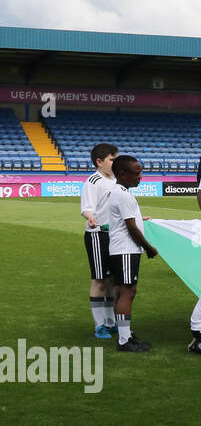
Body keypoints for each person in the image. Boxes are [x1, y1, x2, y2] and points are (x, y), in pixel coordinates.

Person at [106, 155, 158, 352]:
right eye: (137, 173)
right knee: (128, 292)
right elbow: (131, 228)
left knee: (121, 292)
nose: (141, 177)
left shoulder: (121, 192)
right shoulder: (123, 195)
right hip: (126, 249)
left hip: (120, 249)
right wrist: (148, 248)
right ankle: (124, 340)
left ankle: (125, 335)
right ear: (121, 174)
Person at [81, 143, 118, 339]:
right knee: (99, 279)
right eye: (112, 159)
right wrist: (90, 217)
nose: (115, 162)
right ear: (99, 161)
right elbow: (87, 208)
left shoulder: (116, 181)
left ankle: (111, 323)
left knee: (112, 280)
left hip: (115, 236)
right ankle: (99, 325)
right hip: (97, 236)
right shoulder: (93, 182)